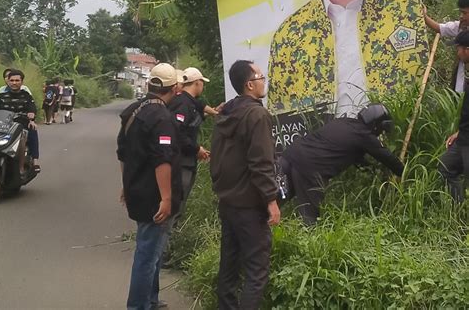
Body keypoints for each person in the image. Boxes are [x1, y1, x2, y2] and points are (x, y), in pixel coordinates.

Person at [268, 0, 428, 118]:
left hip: (398, 148)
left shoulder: (402, 9)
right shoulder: (290, 34)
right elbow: (280, 117)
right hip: (324, 154)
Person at [210, 60, 280, 310]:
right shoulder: (257, 115)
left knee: (229, 265)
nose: (264, 81)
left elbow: (216, 158)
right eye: (261, 76)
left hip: (228, 202)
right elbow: (261, 162)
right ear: (250, 84)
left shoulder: (226, 113)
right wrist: (271, 200)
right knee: (256, 272)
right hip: (249, 205)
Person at [116, 63, 182, 310]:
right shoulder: (162, 118)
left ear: (150, 84)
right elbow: (162, 160)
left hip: (136, 191)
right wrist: (166, 198)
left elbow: (122, 153)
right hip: (154, 196)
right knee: (147, 255)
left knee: (153, 250)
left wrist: (126, 184)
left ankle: (151, 300)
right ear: (175, 88)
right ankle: (138, 305)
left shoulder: (133, 110)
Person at [280, 103, 404, 225]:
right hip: (311, 168)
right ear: (376, 125)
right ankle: (309, 242)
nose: (379, 134)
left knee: (273, 203)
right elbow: (387, 157)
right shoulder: (364, 136)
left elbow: (341, 147)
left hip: (291, 155)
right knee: (310, 217)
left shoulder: (345, 122)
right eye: (381, 130)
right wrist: (404, 172)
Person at [167, 67, 214, 220]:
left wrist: (215, 112)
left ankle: (169, 234)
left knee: (180, 198)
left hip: (187, 159)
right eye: (202, 83)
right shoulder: (182, 104)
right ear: (197, 82)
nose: (203, 86)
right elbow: (177, 132)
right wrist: (197, 149)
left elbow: (196, 114)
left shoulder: (187, 101)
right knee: (177, 199)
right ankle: (167, 235)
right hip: (181, 161)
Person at [439, 30, 469, 203]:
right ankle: (458, 210)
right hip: (463, 137)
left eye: (459, 49)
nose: (457, 53)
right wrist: (459, 131)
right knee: (445, 167)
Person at [0, 70, 40, 175]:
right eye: (12, 80)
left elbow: (32, 108)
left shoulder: (27, 96)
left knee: (32, 130)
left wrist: (32, 118)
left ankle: (34, 162)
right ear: (8, 81)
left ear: (22, 82)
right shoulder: (0, 97)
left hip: (21, 125)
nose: (14, 83)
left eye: (17, 80)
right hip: (3, 125)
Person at [423, 0, 469, 92]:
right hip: (461, 86)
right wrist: (424, 16)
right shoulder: (461, 27)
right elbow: (440, 28)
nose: (461, 16)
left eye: (464, 13)